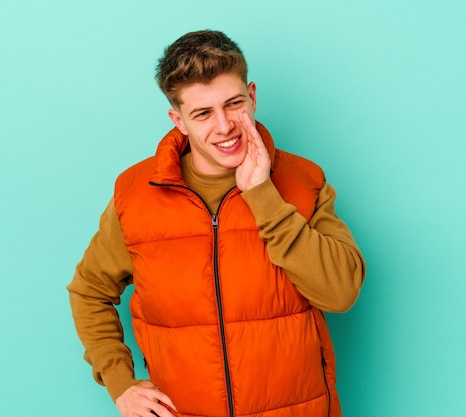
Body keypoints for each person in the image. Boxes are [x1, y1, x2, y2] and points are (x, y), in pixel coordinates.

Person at [67, 29, 366, 417]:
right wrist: (120, 383)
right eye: (203, 113)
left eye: (234, 104)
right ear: (179, 120)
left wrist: (263, 196)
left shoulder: (304, 181)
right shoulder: (135, 194)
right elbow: (88, 291)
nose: (224, 126)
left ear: (253, 97)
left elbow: (341, 293)